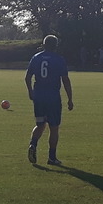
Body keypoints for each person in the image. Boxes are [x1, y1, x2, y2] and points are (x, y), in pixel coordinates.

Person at [25, 34, 73, 165]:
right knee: (54, 127)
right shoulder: (59, 59)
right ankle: (52, 157)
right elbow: (65, 80)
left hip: (39, 96)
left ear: (44, 45)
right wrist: (70, 99)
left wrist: (30, 91)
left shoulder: (36, 57)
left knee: (40, 124)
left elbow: (27, 77)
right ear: (56, 46)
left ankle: (33, 144)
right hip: (53, 97)